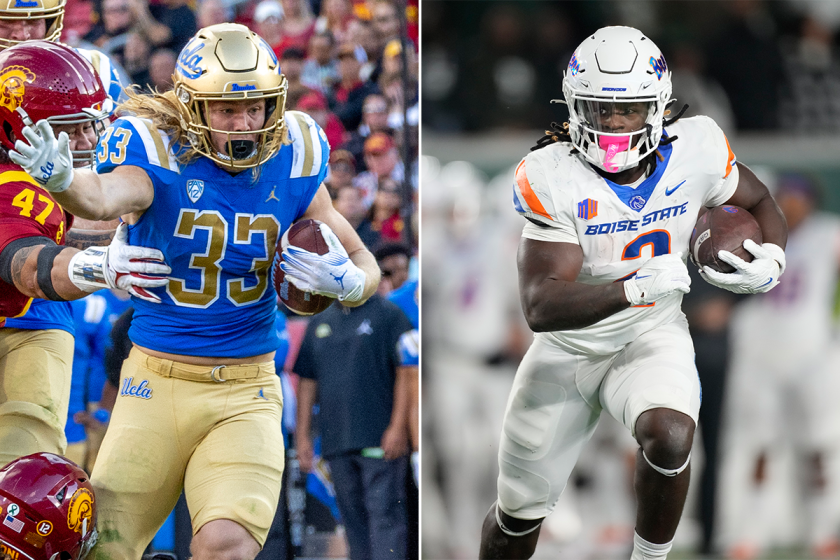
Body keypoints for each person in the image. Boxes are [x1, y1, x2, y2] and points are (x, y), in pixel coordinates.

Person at [9, 22, 379, 559]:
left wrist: (349, 284)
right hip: (153, 387)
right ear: (190, 108)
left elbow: (362, 259)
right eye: (228, 110)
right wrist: (64, 181)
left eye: (256, 107)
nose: (246, 122)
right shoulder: (158, 149)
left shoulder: (294, 154)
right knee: (104, 548)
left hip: (247, 391)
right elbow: (101, 198)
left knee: (225, 547)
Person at [478, 26, 788, 560]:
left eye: (628, 110)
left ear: (659, 107)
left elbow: (760, 202)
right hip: (569, 350)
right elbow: (541, 306)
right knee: (516, 518)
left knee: (670, 436)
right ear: (575, 107)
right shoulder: (551, 174)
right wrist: (633, 286)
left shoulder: (698, 147)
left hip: (652, 335)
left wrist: (773, 258)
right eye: (600, 110)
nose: (615, 123)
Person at [0, 42, 169, 468]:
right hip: (19, 309)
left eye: (90, 125)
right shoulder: (12, 187)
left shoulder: (41, 169)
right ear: (18, 128)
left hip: (27, 322)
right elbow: (29, 265)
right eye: (71, 128)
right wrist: (98, 266)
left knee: (27, 460)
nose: (90, 139)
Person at [723, 174, 840, 559]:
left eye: (796, 198)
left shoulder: (828, 234)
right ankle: (751, 536)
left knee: (817, 450)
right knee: (760, 448)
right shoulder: (757, 236)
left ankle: (823, 532)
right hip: (765, 356)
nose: (789, 204)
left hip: (813, 357)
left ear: (810, 202)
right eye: (784, 197)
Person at [294, 293, 413, 560]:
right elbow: (307, 381)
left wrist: (398, 427)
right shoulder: (320, 321)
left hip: (380, 438)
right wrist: (302, 437)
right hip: (336, 441)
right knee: (352, 521)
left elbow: (407, 373)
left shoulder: (389, 314)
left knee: (385, 516)